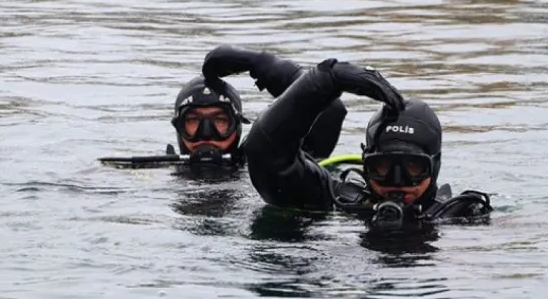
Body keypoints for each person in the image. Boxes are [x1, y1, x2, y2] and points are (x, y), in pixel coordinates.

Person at [201, 45, 493, 229]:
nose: (396, 182)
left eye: (413, 169)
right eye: (381, 168)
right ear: (365, 164)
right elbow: (266, 155)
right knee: (328, 116)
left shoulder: (464, 218)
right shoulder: (336, 201)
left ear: (435, 166)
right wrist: (325, 80)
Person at [168, 58, 347, 167]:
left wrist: (268, 67)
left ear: (237, 125)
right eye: (193, 121)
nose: (206, 134)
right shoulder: (158, 175)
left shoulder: (269, 165)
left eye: (220, 120)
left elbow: (331, 111)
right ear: (179, 128)